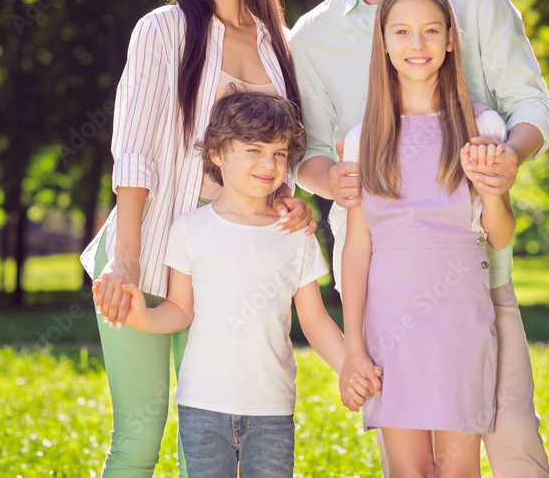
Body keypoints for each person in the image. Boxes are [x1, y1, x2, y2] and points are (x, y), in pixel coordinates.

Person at [290, 0, 549, 476]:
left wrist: (505, 163)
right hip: (381, 281)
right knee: (408, 460)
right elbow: (308, 152)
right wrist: (334, 179)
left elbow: (531, 107)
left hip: (474, 267)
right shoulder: (311, 35)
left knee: (511, 436)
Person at [81, 0, 316, 477]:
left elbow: (278, 152)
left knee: (204, 445)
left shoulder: (280, 44)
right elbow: (132, 147)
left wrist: (291, 202)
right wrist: (125, 257)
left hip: (221, 265)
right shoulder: (162, 30)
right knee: (138, 431)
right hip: (144, 244)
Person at [97, 91, 379, 478]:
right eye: (254, 149)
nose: (269, 163)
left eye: (280, 154)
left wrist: (349, 367)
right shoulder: (190, 229)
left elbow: (314, 320)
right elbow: (181, 310)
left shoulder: (296, 233)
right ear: (217, 153)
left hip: (272, 409)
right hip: (202, 408)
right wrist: (141, 316)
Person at [338, 0, 516, 476]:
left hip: (459, 317)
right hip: (389, 325)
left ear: (451, 39)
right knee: (409, 471)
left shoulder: (484, 129)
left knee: (458, 468)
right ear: (383, 41)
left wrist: (494, 188)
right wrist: (354, 346)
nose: (417, 45)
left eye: (431, 31)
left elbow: (499, 235)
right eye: (402, 32)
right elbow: (357, 251)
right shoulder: (360, 140)